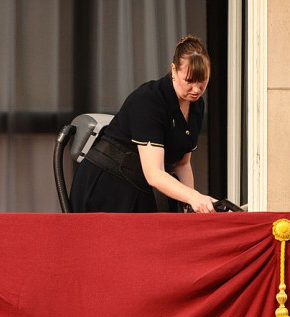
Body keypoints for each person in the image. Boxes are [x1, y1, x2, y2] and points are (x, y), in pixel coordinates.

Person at [70, 35, 216, 213]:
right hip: (107, 182)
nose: (196, 89)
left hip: (141, 184)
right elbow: (154, 173)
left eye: (203, 81)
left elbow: (182, 164)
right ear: (173, 70)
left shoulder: (197, 105)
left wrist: (189, 206)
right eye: (189, 80)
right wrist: (193, 197)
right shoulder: (150, 100)